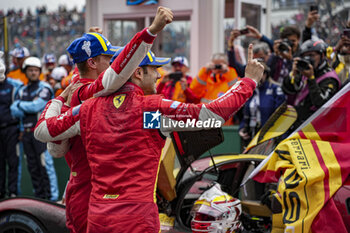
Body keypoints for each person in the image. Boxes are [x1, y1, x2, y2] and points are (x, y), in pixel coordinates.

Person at [34, 43, 263, 233]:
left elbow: (43, 130)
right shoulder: (150, 112)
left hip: (99, 217)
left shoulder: (89, 109)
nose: (159, 74)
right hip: (136, 218)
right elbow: (211, 116)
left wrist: (59, 100)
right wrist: (248, 81)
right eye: (154, 68)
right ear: (138, 72)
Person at [38, 7, 174, 233]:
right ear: (92, 63)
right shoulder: (86, 92)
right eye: (109, 58)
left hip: (93, 192)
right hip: (89, 193)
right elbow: (115, 75)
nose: (114, 62)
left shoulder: (78, 85)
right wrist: (151, 31)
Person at [10, 57, 54, 199]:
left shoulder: (45, 87)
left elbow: (38, 105)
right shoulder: (21, 90)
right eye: (30, 70)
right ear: (25, 72)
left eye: (36, 70)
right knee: (32, 167)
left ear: (40, 71)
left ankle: (52, 197)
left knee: (45, 166)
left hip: (41, 133)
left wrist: (21, 105)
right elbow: (13, 110)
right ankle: (39, 197)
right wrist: (25, 107)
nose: (33, 73)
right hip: (27, 134)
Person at [282, 39, 341, 128]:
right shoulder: (304, 70)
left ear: (322, 55)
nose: (308, 59)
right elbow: (288, 90)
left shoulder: (330, 77)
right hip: (298, 125)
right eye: (304, 56)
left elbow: (321, 104)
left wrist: (311, 79)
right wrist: (293, 74)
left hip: (317, 128)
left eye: (311, 55)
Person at [239, 60, 286, 147]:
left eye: (260, 73)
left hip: (270, 136)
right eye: (253, 74)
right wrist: (242, 128)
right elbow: (244, 114)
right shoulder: (247, 90)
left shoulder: (275, 89)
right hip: (251, 135)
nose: (256, 77)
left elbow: (281, 115)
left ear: (266, 74)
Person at [0, 51, 23, 198]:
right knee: (0, 164)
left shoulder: (14, 86)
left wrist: (20, 128)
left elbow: (18, 107)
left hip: (11, 129)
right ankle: (1, 192)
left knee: (13, 162)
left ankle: (13, 192)